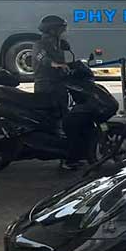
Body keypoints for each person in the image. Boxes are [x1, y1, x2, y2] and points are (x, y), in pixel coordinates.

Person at [33, 15, 91, 170]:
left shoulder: (59, 44)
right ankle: (64, 157)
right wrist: (55, 64)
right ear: (52, 30)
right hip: (47, 86)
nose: (63, 31)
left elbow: (64, 63)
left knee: (66, 118)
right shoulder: (40, 44)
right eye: (61, 28)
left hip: (59, 85)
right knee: (58, 119)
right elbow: (42, 58)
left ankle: (72, 154)